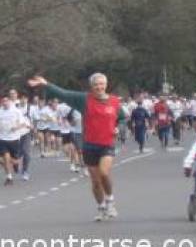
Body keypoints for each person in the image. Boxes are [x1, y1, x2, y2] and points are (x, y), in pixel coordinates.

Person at [28, 73, 126, 221]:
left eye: (101, 84)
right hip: (90, 145)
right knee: (95, 181)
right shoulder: (84, 99)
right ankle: (101, 208)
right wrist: (46, 84)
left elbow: (123, 118)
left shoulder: (114, 102)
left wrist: (119, 127)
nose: (99, 87)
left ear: (106, 84)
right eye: (96, 85)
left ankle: (110, 201)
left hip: (107, 144)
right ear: (91, 86)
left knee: (104, 173)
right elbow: (64, 93)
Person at [0, 96, 30, 185]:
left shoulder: (16, 111)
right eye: (3, 101)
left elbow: (23, 123)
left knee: (14, 160)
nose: (5, 103)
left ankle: (15, 164)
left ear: (9, 102)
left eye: (6, 101)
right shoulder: (0, 111)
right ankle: (9, 177)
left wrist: (16, 127)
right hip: (3, 138)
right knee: (5, 157)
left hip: (14, 139)